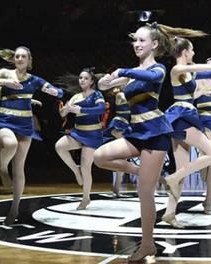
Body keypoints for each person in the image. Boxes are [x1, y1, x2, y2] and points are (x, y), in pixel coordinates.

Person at [93, 22, 174, 262]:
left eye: (142, 40)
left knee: (144, 192)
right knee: (100, 156)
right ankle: (142, 171)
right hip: (136, 131)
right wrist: (105, 82)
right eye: (135, 40)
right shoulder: (132, 73)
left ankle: (147, 246)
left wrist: (122, 73)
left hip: (156, 132)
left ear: (155, 44)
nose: (137, 44)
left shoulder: (158, 69)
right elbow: (102, 85)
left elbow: (146, 75)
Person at [0, 46, 63, 225]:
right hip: (4, 119)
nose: (20, 59)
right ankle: (2, 168)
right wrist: (3, 83)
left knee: (19, 168)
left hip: (25, 124)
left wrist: (54, 92)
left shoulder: (35, 80)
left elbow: (57, 91)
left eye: (23, 56)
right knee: (10, 144)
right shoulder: (5, 73)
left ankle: (14, 209)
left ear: (29, 60)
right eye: (17, 56)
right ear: (13, 59)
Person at [162, 37, 211, 227]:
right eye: (192, 50)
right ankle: (173, 177)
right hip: (181, 117)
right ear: (185, 52)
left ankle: (170, 213)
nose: (194, 53)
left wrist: (202, 93)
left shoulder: (187, 73)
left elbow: (191, 92)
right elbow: (205, 70)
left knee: (182, 171)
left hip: (185, 115)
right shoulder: (177, 69)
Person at [55, 68, 105, 209]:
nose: (82, 80)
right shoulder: (76, 96)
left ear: (91, 81)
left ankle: (85, 198)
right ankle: (75, 170)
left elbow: (101, 109)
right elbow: (62, 113)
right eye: (80, 78)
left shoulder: (97, 94)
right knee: (59, 146)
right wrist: (65, 110)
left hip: (93, 135)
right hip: (79, 132)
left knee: (86, 168)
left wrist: (81, 110)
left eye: (85, 78)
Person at [194, 56, 211, 211]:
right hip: (204, 123)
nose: (210, 69)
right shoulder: (199, 81)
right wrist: (203, 90)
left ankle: (208, 202)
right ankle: (209, 202)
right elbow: (190, 97)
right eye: (207, 66)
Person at [102, 87, 131, 197]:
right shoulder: (120, 95)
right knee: (125, 155)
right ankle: (116, 187)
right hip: (118, 125)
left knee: (124, 157)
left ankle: (116, 187)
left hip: (124, 125)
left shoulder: (125, 94)